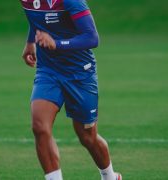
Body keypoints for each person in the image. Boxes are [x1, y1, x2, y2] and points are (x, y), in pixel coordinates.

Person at [20, 0, 122, 179]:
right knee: (40, 127)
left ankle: (110, 176)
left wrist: (57, 44)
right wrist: (31, 42)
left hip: (80, 74)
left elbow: (92, 37)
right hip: (48, 71)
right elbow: (36, 16)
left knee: (87, 137)